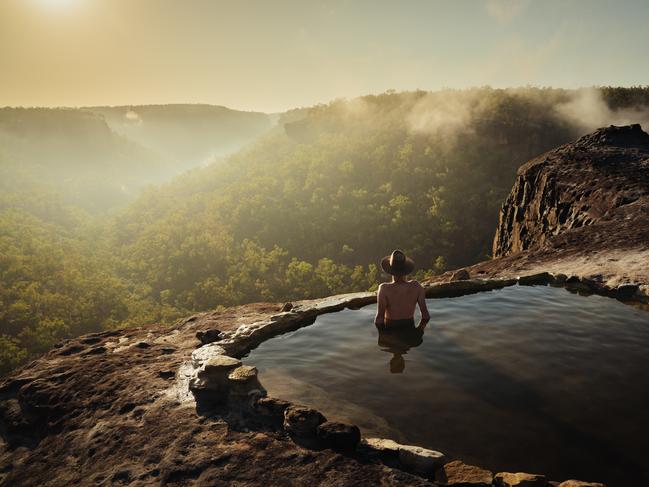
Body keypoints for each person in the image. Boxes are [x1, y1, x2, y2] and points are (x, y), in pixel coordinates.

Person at [374, 249, 430, 331]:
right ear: (406, 269)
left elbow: (379, 320)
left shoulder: (384, 289)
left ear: (390, 270)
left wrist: (384, 337)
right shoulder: (417, 286)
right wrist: (419, 331)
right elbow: (425, 316)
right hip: (410, 329)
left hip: (391, 331)